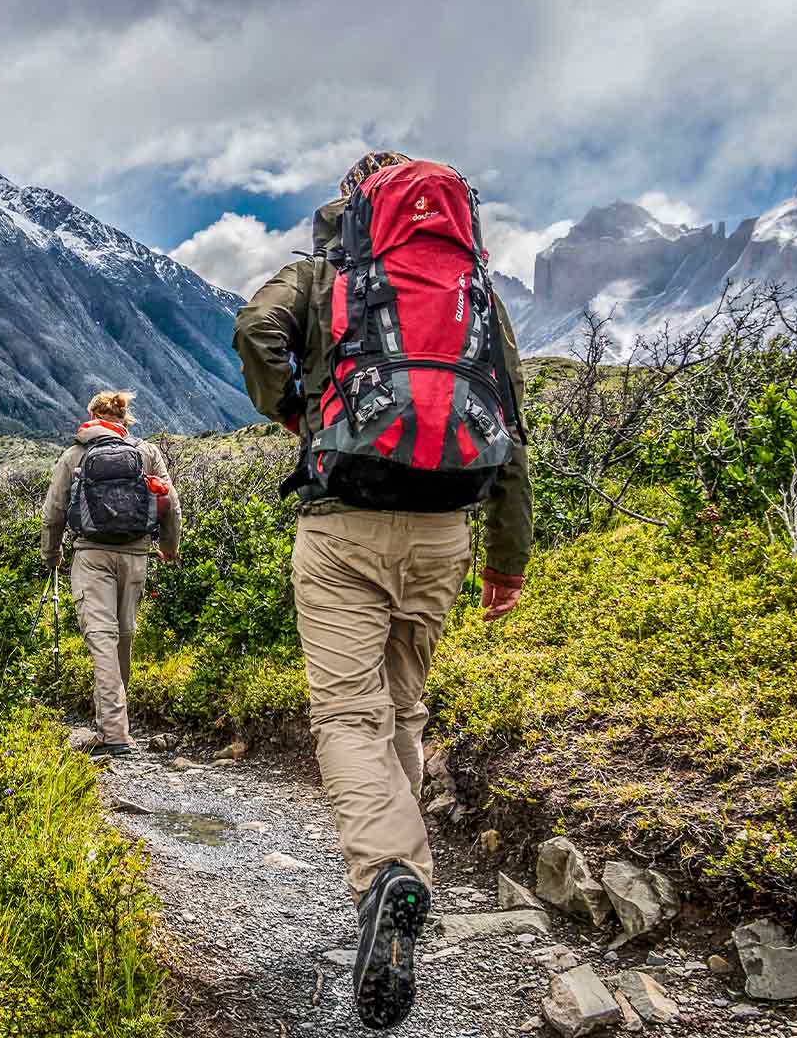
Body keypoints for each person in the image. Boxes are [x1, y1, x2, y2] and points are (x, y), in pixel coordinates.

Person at [233, 150, 532, 1030]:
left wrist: (292, 409)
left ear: (355, 206)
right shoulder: (475, 291)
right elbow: (510, 417)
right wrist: (506, 560)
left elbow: (255, 331)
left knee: (345, 717)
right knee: (404, 708)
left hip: (343, 525)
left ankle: (387, 878)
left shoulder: (325, 276)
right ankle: (407, 883)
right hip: (446, 529)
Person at [41, 390, 181, 758]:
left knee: (101, 639)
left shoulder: (74, 455)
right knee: (123, 637)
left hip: (91, 557)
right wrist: (168, 548)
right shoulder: (146, 453)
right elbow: (171, 505)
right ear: (124, 419)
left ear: (91, 416)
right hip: (136, 556)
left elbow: (54, 512)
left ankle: (115, 734)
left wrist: (52, 555)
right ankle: (115, 725)